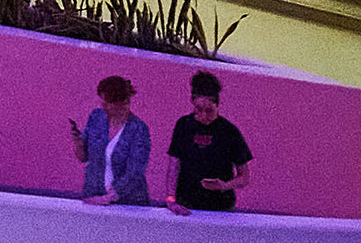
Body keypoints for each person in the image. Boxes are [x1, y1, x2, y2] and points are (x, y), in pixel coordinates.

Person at [164, 71, 254, 215]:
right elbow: (174, 166)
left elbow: (244, 177)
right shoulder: (183, 125)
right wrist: (171, 199)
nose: (204, 116)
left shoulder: (229, 131)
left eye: (209, 111)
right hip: (186, 204)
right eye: (199, 110)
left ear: (217, 105)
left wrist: (224, 185)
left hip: (221, 207)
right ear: (192, 103)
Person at [70, 75, 149, 207]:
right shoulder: (96, 117)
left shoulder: (138, 129)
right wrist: (78, 141)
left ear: (123, 103)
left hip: (127, 203)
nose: (103, 106)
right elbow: (83, 157)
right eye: (102, 101)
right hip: (94, 197)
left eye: (107, 102)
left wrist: (110, 197)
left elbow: (135, 172)